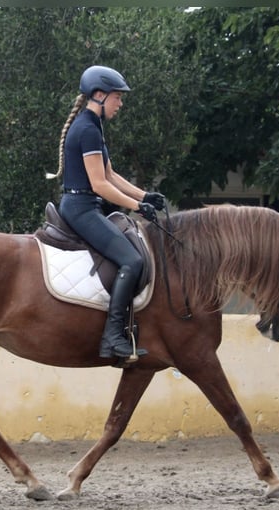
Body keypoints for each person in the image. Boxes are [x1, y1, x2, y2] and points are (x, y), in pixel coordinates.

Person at [46, 65, 166, 360]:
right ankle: (112, 338)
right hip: (80, 208)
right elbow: (99, 185)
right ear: (99, 95)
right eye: (117, 97)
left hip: (87, 206)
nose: (120, 104)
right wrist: (137, 207)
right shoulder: (86, 129)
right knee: (132, 260)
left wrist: (144, 194)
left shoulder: (93, 126)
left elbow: (110, 175)